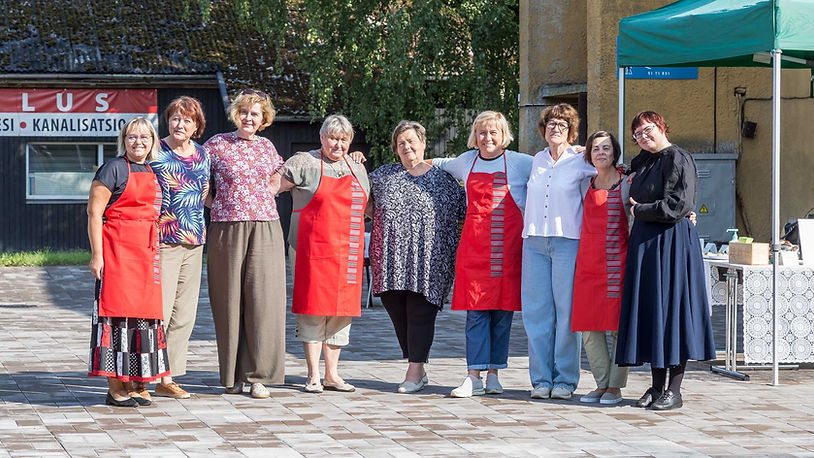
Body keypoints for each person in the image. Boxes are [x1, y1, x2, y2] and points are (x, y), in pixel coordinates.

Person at [616, 111, 715, 410]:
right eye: (637, 134)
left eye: (647, 130)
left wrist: (639, 211)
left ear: (661, 127)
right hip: (647, 245)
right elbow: (620, 171)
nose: (643, 137)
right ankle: (657, 386)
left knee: (673, 312)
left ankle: (675, 389)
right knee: (652, 312)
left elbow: (677, 206)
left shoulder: (678, 158)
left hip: (672, 244)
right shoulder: (644, 160)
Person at [432, 111, 532, 398]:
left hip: (508, 250)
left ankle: (494, 376)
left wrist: (577, 152)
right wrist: (417, 162)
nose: (487, 138)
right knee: (476, 313)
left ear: (503, 135)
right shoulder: (466, 161)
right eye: (482, 133)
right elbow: (438, 164)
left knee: (502, 314)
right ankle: (472, 376)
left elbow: (553, 165)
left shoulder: (519, 162)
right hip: (474, 251)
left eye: (493, 133)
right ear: (474, 136)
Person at [368, 120, 466, 393]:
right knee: (396, 308)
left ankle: (414, 369)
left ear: (423, 143)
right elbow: (361, 199)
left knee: (420, 312)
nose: (407, 147)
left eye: (411, 141)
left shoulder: (444, 179)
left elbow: (465, 213)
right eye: (401, 143)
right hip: (390, 258)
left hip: (431, 258)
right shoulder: (382, 176)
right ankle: (417, 365)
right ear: (395, 149)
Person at [276, 114, 370, 394]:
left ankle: (333, 374)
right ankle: (313, 374)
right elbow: (269, 189)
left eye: (343, 139)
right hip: (312, 251)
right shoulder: (304, 162)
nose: (337, 144)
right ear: (321, 138)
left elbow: (369, 208)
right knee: (313, 311)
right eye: (332, 138)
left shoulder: (357, 168)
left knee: (341, 314)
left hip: (349, 252)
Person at [204, 89, 286, 399]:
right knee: (229, 302)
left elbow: (281, 175)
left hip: (266, 227)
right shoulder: (216, 145)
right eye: (244, 111)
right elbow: (199, 185)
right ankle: (232, 376)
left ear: (264, 119)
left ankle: (258, 376)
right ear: (235, 113)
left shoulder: (267, 147)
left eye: (255, 114)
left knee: (263, 302)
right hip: (227, 228)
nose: (248, 117)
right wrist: (220, 204)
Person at [87, 116, 169, 407]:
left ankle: (136, 382)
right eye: (133, 137)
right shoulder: (113, 168)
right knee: (116, 318)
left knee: (143, 320)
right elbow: (94, 213)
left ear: (152, 142)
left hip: (146, 254)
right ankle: (115, 385)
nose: (139, 142)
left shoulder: (152, 170)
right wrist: (97, 255)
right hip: (117, 252)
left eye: (145, 137)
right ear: (124, 140)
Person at [522, 103, 596, 400]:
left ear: (571, 131)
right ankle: (541, 380)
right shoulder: (534, 160)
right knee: (537, 314)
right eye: (551, 124)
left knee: (566, 314)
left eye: (562, 125)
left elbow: (611, 171)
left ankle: (565, 380)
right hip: (535, 243)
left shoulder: (580, 160)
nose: (556, 129)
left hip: (567, 241)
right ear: (544, 129)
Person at [148, 96, 209, 399]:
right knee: (159, 312)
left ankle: (167, 377)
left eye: (187, 120)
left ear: (196, 125)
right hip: (163, 242)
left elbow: (204, 192)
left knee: (184, 314)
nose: (180, 124)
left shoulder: (201, 154)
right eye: (175, 118)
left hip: (194, 242)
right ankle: (146, 375)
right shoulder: (155, 150)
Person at [570, 131, 631, 405]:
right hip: (588, 264)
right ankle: (601, 383)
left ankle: (615, 387)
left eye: (606, 148)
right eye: (595, 149)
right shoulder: (585, 184)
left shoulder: (628, 183)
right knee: (588, 326)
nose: (601, 153)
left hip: (619, 260)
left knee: (618, 326)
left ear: (614, 152)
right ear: (589, 155)